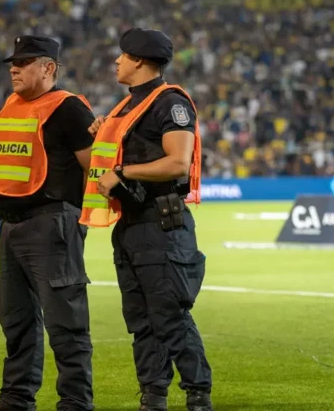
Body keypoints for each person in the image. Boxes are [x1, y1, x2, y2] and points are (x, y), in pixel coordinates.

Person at [79, 28, 213, 411]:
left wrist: (124, 171)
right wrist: (101, 133)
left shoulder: (170, 103)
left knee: (169, 316)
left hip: (162, 223)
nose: (116, 61)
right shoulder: (125, 108)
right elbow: (115, 157)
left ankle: (198, 395)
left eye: (123, 55)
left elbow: (177, 162)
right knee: (140, 321)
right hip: (131, 223)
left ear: (140, 60)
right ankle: (153, 396)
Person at [0, 35, 96, 411]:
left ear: (49, 68)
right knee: (16, 321)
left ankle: (75, 402)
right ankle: (16, 398)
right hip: (11, 226)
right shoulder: (12, 105)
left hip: (52, 225)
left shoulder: (69, 109)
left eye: (25, 61)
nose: (14, 67)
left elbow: (95, 169)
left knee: (65, 322)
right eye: (14, 61)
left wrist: (78, 223)